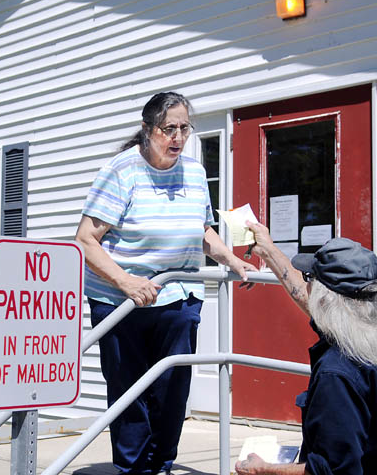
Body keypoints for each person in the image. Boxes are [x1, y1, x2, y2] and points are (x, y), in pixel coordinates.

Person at [75, 91, 257, 475]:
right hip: (121, 300)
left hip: (178, 296)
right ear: (147, 130)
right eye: (167, 129)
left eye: (184, 129)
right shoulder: (122, 171)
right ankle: (133, 468)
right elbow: (86, 239)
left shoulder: (192, 171)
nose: (177, 137)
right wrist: (126, 281)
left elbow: (202, 230)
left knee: (173, 390)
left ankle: (161, 465)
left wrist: (233, 260)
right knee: (130, 393)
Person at [235, 222, 377, 475]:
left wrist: (262, 469)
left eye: (310, 279)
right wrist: (267, 250)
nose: (306, 286)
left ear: (325, 299)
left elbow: (330, 470)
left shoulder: (337, 373)